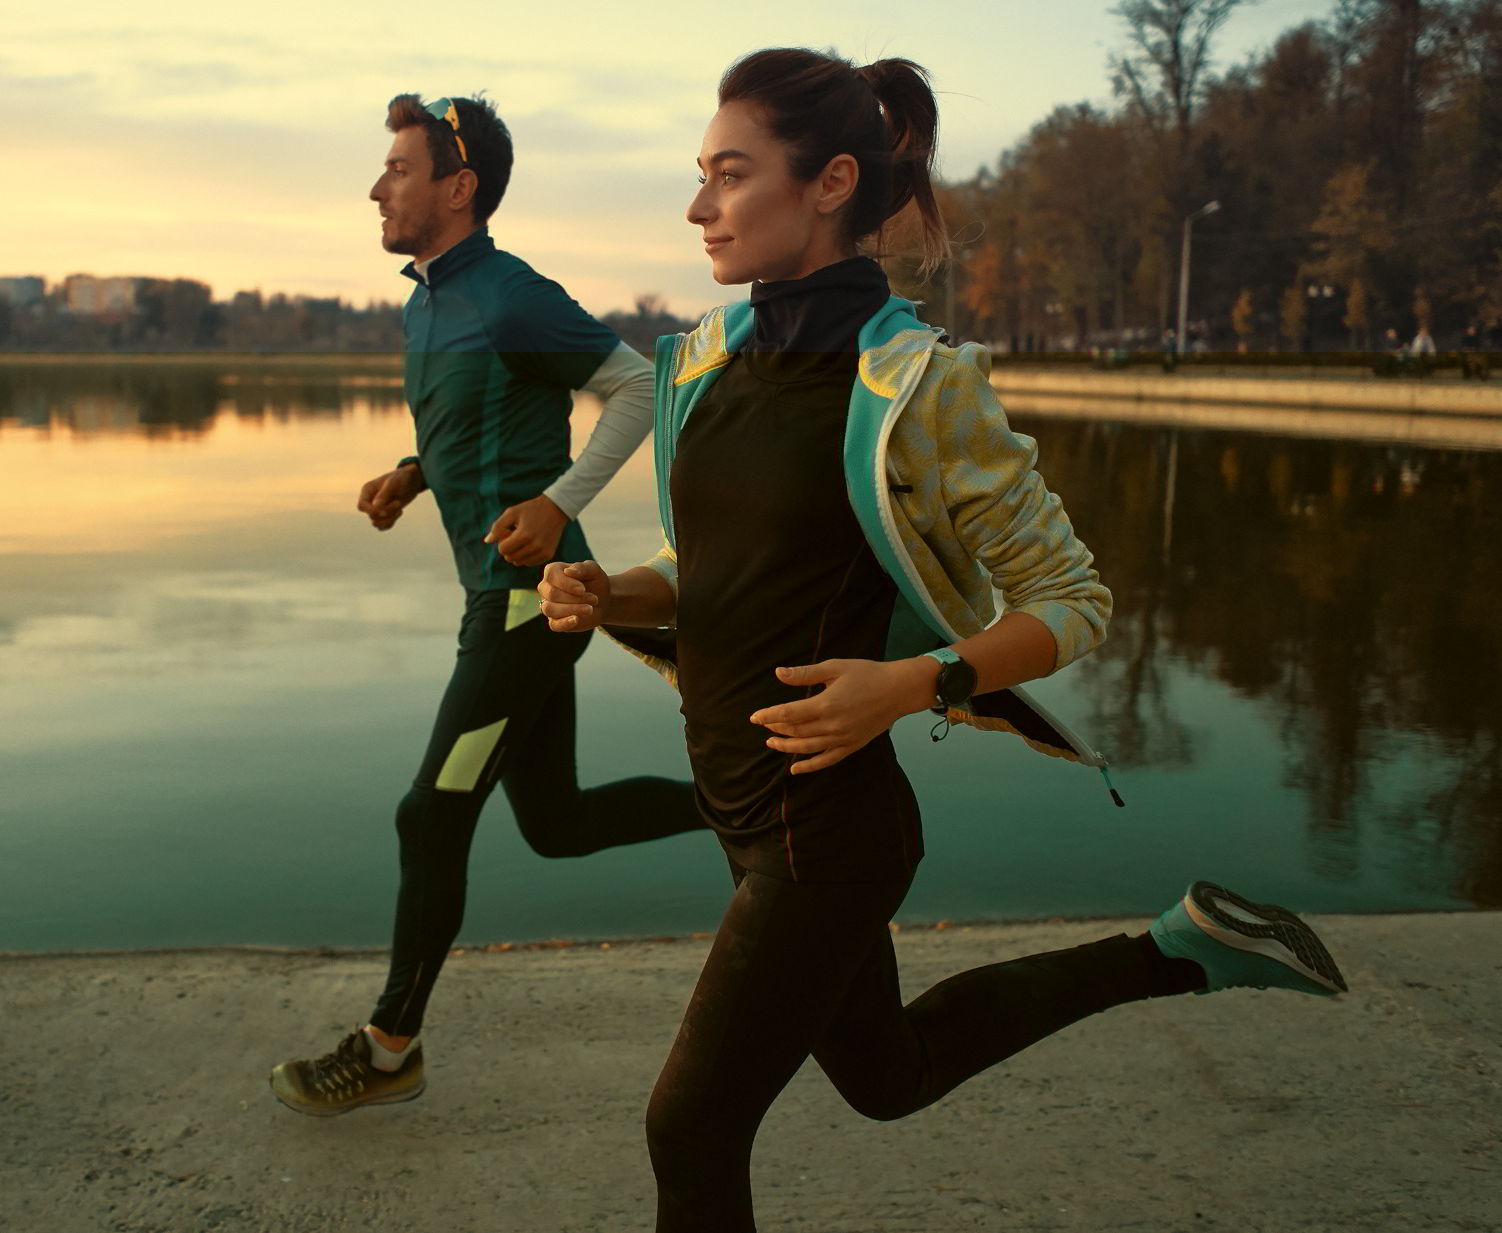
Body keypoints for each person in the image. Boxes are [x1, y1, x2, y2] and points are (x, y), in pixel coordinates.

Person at [535, 48, 1348, 1231]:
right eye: (698, 176)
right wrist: (614, 594)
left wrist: (913, 683)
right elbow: (704, 571)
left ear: (829, 184)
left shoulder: (918, 387)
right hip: (737, 802)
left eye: (727, 174)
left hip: (825, 831)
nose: (697, 206)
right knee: (887, 1077)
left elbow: (1072, 599)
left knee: (688, 1126)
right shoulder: (699, 367)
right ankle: (1179, 948)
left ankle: (1174, 951)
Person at [268, 92, 706, 1117]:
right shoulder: (426, 299)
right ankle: (746, 807)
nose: (377, 186)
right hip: (498, 602)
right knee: (554, 824)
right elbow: (484, 416)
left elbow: (638, 386)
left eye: (399, 169)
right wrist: (413, 471)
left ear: (456, 189)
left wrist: (558, 505)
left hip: (526, 606)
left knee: (429, 816)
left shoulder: (509, 293)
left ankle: (387, 1049)